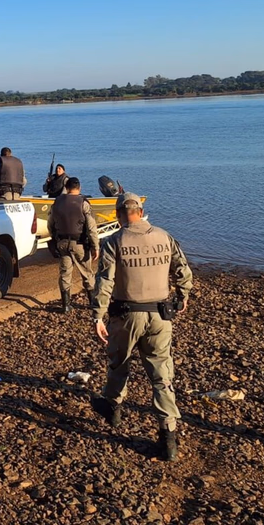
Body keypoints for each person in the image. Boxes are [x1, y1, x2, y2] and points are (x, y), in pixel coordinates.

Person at [90, 192, 193, 461]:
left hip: (126, 314)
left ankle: (113, 406)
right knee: (161, 373)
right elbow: (182, 267)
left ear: (119, 214)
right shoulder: (164, 236)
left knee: (119, 361)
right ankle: (168, 435)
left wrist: (98, 315)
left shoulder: (115, 241)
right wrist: (183, 295)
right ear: (140, 210)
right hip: (160, 315)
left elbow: (105, 281)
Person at [47, 177, 98, 313]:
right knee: (87, 273)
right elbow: (92, 227)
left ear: (66, 188)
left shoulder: (57, 202)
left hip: (62, 244)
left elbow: (50, 223)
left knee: (65, 274)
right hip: (79, 244)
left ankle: (66, 305)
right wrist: (95, 247)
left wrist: (54, 238)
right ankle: (92, 303)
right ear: (79, 188)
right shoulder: (83, 203)